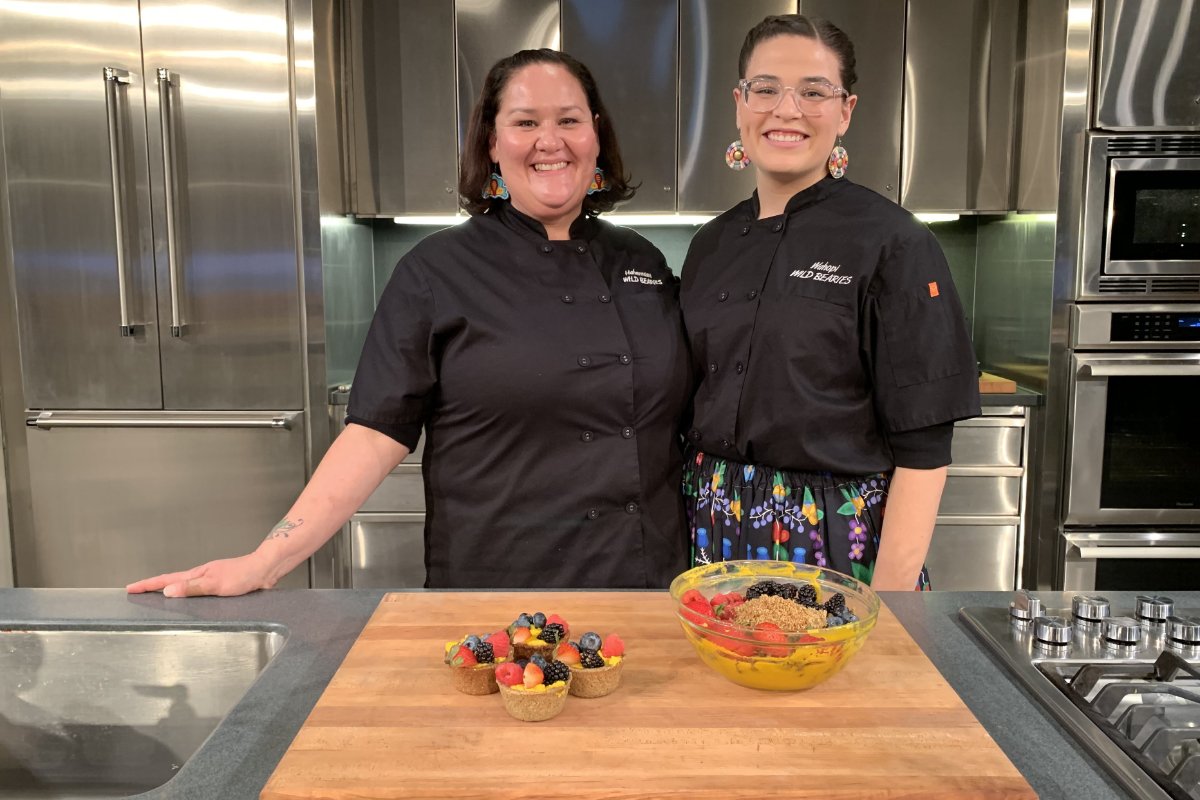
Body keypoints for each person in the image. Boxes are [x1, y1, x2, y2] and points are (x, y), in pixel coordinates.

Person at [127, 49, 691, 596]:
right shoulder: (436, 270)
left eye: (569, 120)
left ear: (595, 133)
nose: (551, 141)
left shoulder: (642, 261)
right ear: (493, 143)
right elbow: (375, 433)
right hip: (501, 595)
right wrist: (267, 560)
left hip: (645, 587)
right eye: (526, 122)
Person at [680, 15, 981, 591]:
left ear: (845, 112)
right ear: (740, 104)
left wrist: (890, 608)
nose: (786, 109)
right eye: (765, 89)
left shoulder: (895, 241)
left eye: (814, 91)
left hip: (838, 544)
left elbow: (924, 449)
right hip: (709, 531)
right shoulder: (709, 245)